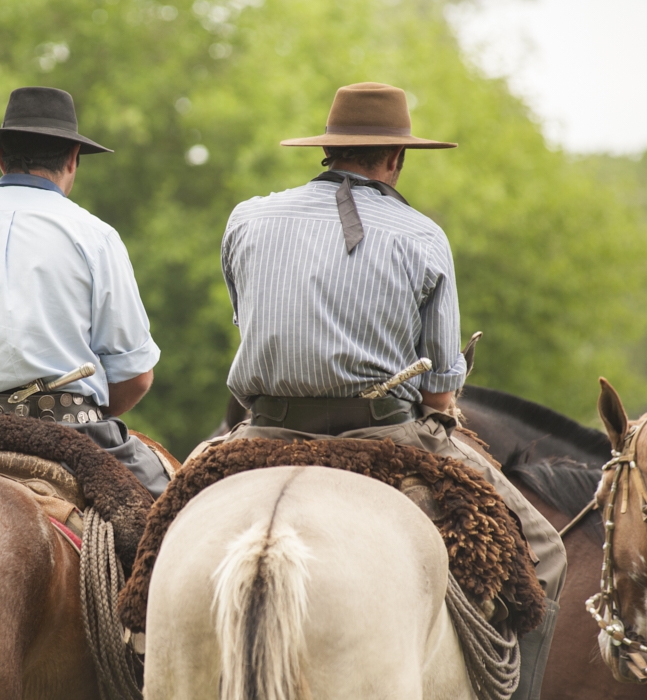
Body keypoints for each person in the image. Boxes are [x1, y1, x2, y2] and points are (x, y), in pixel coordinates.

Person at [217, 82, 563, 700]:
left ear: (327, 151)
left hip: (263, 428)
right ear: (397, 157)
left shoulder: (248, 219)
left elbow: (251, 325)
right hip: (385, 433)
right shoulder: (422, 235)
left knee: (151, 527)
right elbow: (438, 392)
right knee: (546, 552)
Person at [0, 86, 169, 498]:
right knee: (167, 514)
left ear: (1, 157)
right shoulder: (95, 236)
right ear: (73, 160)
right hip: (69, 431)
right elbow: (137, 377)